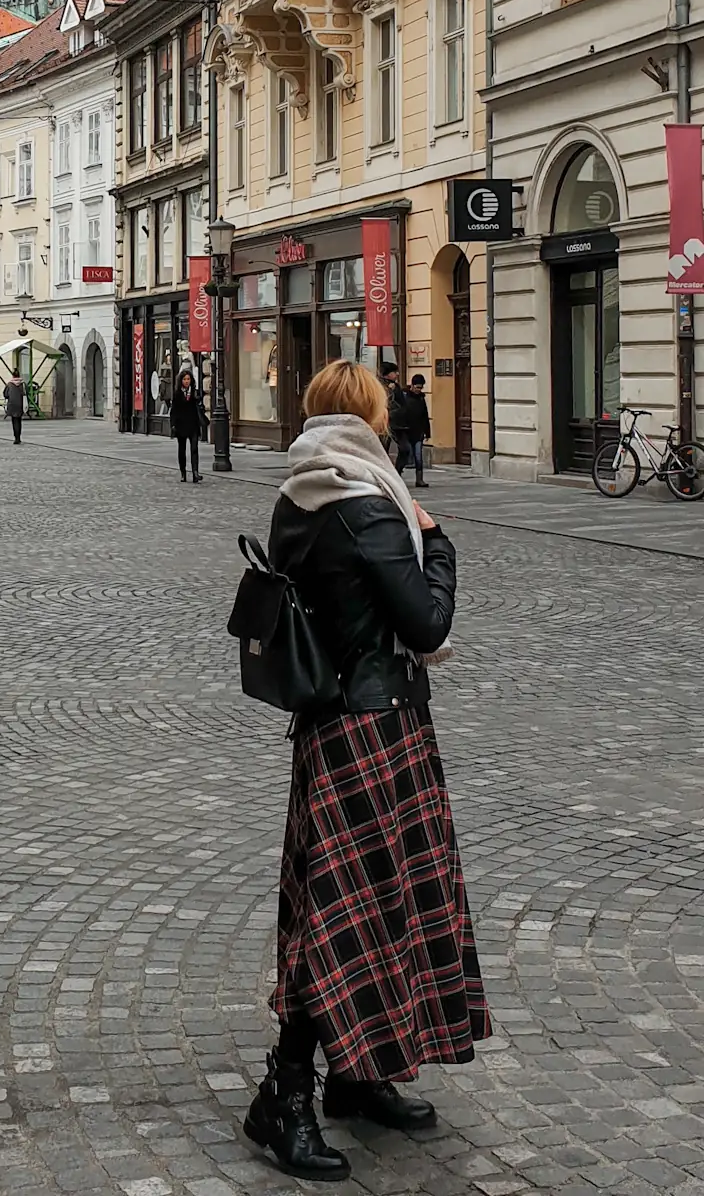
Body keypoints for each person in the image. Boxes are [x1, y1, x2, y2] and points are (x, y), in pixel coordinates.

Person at [243, 358, 486, 1182]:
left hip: (328, 727)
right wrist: (440, 543)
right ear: (373, 418)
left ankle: (355, 1070)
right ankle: (283, 1096)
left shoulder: (299, 494)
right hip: (377, 734)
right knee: (346, 911)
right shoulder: (369, 506)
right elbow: (424, 624)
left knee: (350, 901)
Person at [394, 374, 432, 488]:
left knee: (418, 457)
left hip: (418, 432)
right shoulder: (404, 397)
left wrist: (427, 431)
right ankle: (397, 476)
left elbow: (425, 416)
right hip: (405, 431)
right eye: (417, 387)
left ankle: (419, 480)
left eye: (420, 387)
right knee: (405, 454)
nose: (418, 390)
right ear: (412, 385)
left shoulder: (421, 398)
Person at [169, 367, 204, 483]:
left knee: (194, 449)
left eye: (188, 379)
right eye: (184, 379)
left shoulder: (194, 393)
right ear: (181, 381)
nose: (186, 381)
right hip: (181, 425)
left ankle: (195, 473)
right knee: (182, 450)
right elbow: (173, 411)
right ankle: (183, 472)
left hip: (193, 424)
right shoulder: (177, 394)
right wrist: (173, 425)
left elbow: (198, 408)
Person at [2, 369, 26, 444]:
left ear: (13, 375)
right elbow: (26, 393)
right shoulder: (23, 384)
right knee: (19, 421)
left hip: (12, 405)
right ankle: (18, 437)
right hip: (20, 404)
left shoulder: (9, 384)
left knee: (14, 421)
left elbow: (5, 394)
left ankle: (16, 438)